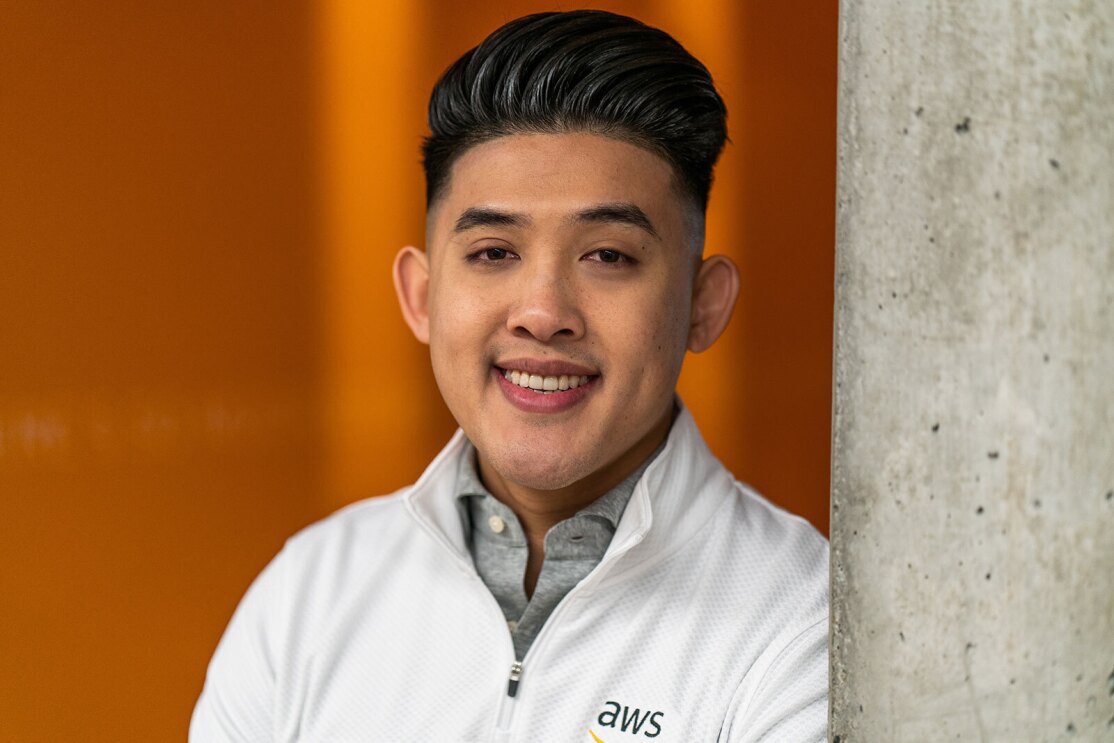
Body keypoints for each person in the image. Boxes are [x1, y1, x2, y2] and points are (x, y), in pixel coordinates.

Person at [190, 10, 828, 742]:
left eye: (608, 256)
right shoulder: (309, 595)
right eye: (494, 252)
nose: (542, 311)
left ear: (702, 305)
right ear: (422, 297)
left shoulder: (802, 622)